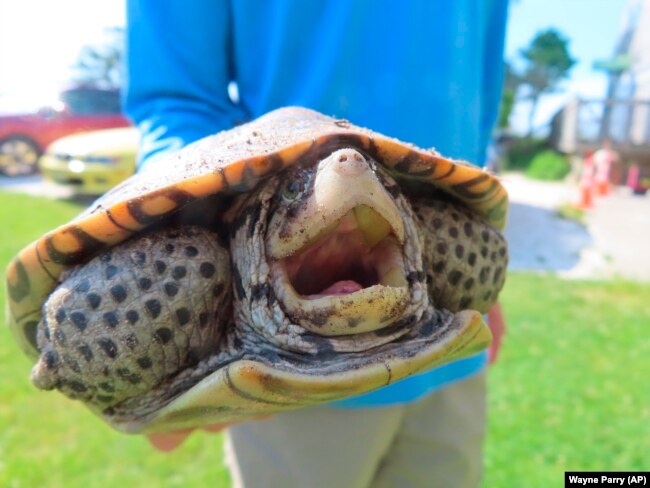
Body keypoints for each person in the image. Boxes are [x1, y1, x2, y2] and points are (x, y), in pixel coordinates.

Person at [125, 1, 509, 486]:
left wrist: (477, 253)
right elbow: (176, 96)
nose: (350, 176)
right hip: (281, 383)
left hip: (447, 334)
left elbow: (479, 91)